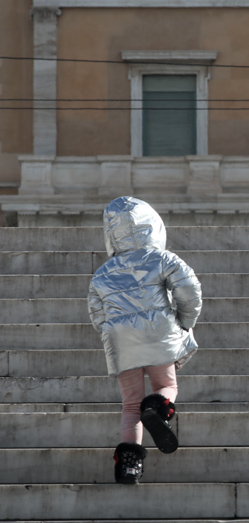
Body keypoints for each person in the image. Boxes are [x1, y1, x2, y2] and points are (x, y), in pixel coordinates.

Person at [87, 197, 202, 485]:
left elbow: (96, 312)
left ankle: (129, 464)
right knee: (166, 385)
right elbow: (189, 289)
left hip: (120, 342)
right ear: (152, 226)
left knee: (129, 406)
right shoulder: (162, 259)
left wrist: (111, 334)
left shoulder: (102, 273)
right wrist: (184, 322)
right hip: (158, 332)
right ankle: (159, 406)